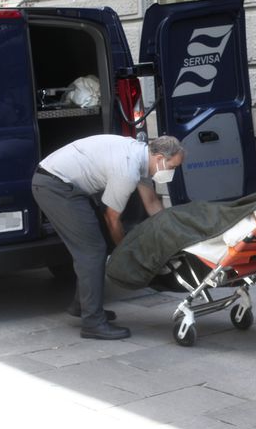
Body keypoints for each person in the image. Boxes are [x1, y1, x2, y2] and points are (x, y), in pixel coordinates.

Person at [31, 134, 184, 340]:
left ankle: (82, 306)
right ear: (159, 159)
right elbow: (112, 218)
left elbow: (152, 203)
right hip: (55, 186)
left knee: (95, 247)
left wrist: (174, 233)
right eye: (172, 167)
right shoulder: (127, 170)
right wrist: (126, 252)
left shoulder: (142, 157)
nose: (172, 172)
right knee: (93, 251)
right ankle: (92, 322)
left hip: (66, 183)